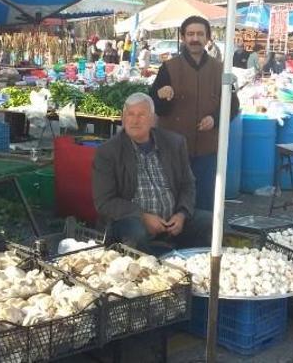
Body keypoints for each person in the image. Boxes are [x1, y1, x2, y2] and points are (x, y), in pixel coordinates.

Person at [92, 93, 212, 252]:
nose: (135, 120)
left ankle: (195, 268)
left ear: (152, 119)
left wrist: (182, 214)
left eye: (141, 115)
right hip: (132, 221)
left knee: (212, 223)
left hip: (173, 220)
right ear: (123, 118)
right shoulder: (108, 152)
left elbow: (187, 184)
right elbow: (104, 202)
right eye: (130, 114)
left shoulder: (174, 143)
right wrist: (142, 216)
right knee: (135, 233)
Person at [149, 16, 239, 211]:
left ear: (208, 38)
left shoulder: (220, 69)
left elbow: (232, 104)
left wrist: (214, 119)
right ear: (183, 37)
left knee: (204, 203)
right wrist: (162, 96)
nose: (195, 38)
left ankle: (202, 241)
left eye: (200, 34)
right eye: (190, 34)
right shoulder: (169, 67)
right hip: (173, 149)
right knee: (172, 202)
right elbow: (155, 106)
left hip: (207, 149)